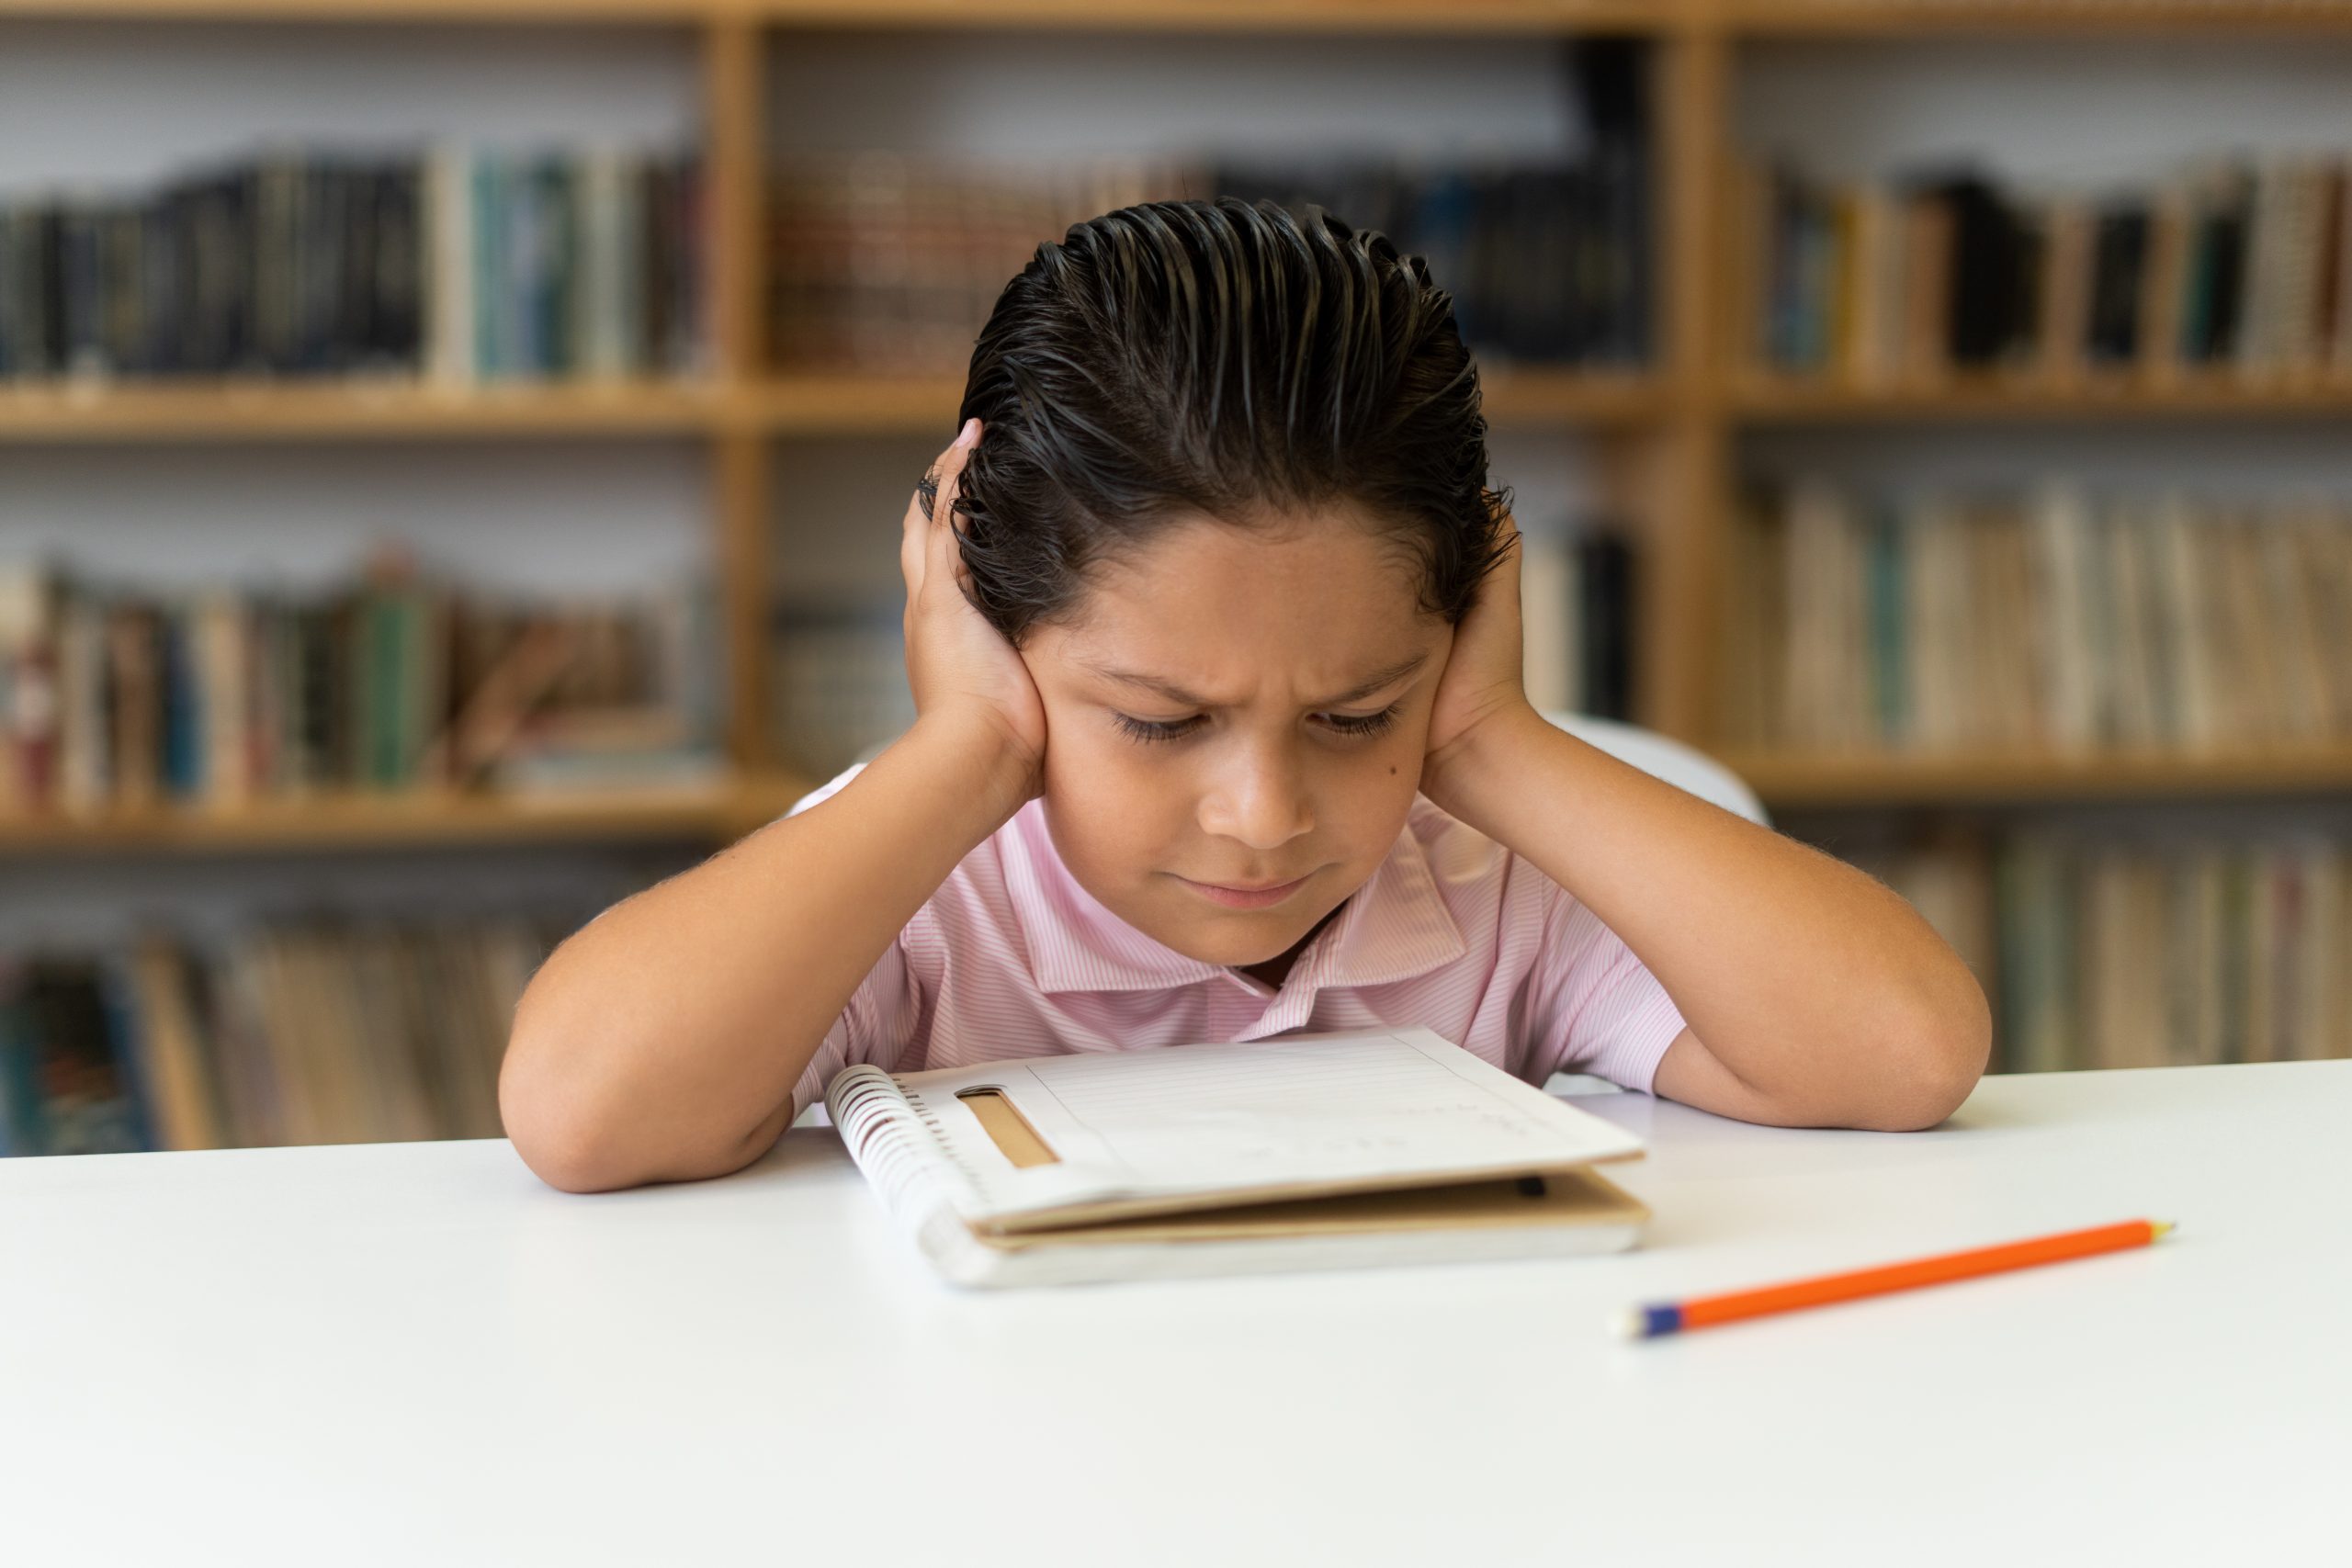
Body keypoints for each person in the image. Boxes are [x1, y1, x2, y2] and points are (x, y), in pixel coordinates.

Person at [500, 197, 1990, 1195]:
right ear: (985, 625)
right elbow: (582, 1114)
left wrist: (1490, 744)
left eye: (1356, 717)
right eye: (1158, 721)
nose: (1265, 817)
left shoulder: (1495, 879)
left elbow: (1906, 1054)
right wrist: (964, 750)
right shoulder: (918, 878)